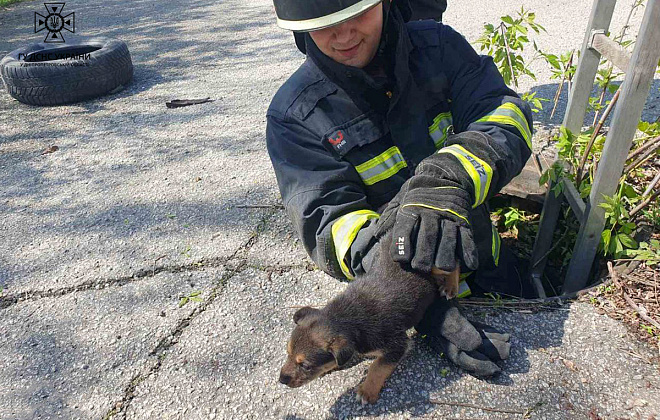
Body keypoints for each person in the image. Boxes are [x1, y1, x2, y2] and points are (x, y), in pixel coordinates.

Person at [267, 0, 533, 377]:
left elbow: (506, 117)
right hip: (403, 295)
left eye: (356, 15)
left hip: (489, 264)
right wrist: (408, 300)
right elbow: (330, 225)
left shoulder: (440, 49)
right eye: (325, 24)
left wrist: (447, 175)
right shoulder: (294, 117)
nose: (343, 36)